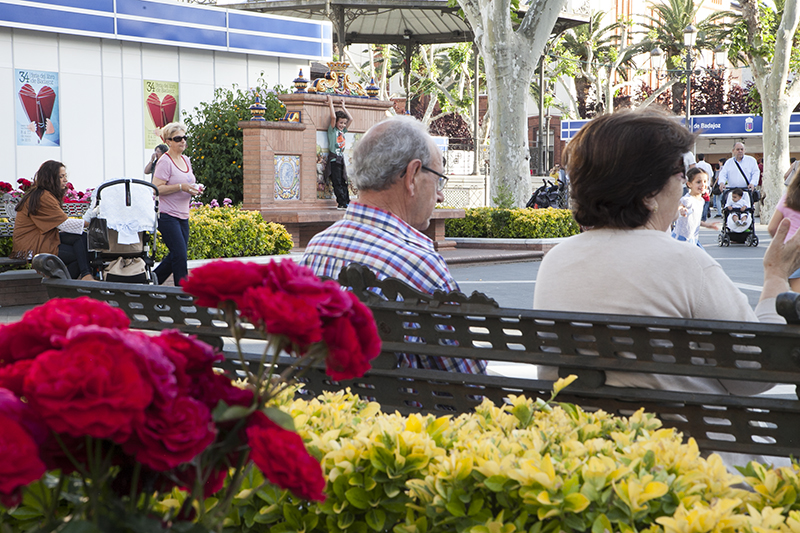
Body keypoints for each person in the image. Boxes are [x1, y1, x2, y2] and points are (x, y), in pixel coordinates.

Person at [533, 108, 800, 396]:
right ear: (649, 193)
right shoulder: (686, 263)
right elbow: (756, 373)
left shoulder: (556, 260)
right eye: (681, 173)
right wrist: (775, 275)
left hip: (582, 435)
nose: (683, 184)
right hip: (683, 437)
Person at [301, 115, 485, 375]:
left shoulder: (316, 249)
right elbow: (471, 384)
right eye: (438, 179)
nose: (440, 194)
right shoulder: (420, 265)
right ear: (412, 175)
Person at [11, 160, 93, 280]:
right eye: (61, 176)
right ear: (50, 178)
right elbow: (64, 225)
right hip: (33, 245)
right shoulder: (43, 197)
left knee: (81, 238)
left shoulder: (44, 194)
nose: (66, 180)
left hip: (44, 238)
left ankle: (84, 276)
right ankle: (65, 288)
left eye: (65, 176)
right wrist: (88, 221)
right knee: (79, 255)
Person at [152, 122, 201, 286]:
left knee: (176, 254)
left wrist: (193, 189)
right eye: (178, 138)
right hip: (167, 215)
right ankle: (182, 293)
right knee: (180, 255)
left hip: (183, 215)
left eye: (184, 137)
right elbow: (156, 189)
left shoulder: (186, 160)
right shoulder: (165, 162)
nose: (182, 141)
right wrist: (181, 187)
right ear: (168, 141)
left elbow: (187, 183)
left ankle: (152, 281)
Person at [671, 167, 719, 247]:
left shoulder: (701, 200)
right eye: (698, 182)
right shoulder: (688, 199)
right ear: (689, 184)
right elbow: (680, 206)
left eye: (705, 181)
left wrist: (707, 225)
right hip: (681, 239)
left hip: (693, 239)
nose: (703, 185)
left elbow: (694, 220)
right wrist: (681, 210)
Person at [326, 95, 353, 209]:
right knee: (337, 181)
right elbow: (333, 117)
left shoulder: (343, 131)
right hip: (334, 159)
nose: (342, 125)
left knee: (344, 181)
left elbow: (351, 119)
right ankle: (341, 202)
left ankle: (347, 202)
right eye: (340, 122)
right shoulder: (333, 131)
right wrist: (330, 102)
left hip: (340, 159)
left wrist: (343, 106)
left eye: (344, 123)